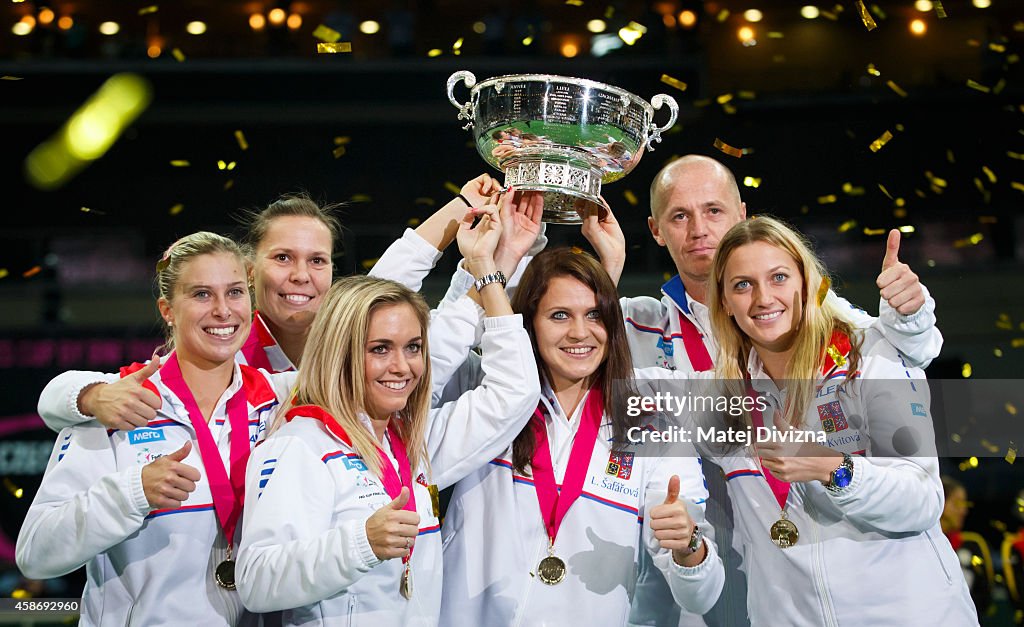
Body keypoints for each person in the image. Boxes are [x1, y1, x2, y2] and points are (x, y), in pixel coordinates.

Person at [578, 153, 945, 627]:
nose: (764, 298)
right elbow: (568, 354)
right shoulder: (702, 381)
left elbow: (908, 354)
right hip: (752, 584)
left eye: (713, 210)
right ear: (724, 304)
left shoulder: (858, 345)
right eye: (680, 216)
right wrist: (603, 270)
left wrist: (910, 319)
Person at [234, 199, 541, 625]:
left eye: (413, 348)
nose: (402, 366)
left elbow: (515, 392)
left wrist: (491, 267)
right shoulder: (298, 446)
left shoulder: (413, 445)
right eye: (379, 349)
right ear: (342, 352)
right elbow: (256, 580)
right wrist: (362, 542)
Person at [33, 175, 517, 432]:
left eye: (318, 261)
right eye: (283, 258)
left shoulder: (348, 338)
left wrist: (464, 212)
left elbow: (388, 284)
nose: (301, 276)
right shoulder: (221, 346)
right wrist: (93, 397)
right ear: (250, 270)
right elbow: (55, 399)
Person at [698, 216, 977, 625]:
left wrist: (836, 469)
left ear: (806, 283)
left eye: (778, 277)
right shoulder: (717, 396)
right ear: (723, 301)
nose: (762, 298)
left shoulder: (870, 354)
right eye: (742, 284)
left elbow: (922, 501)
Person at [16, 232, 299, 626]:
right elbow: (35, 553)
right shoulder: (119, 408)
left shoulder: (281, 399)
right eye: (201, 294)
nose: (222, 310)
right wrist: (132, 493)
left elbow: (376, 354)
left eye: (234, 292)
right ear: (168, 309)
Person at [440, 247, 724, 626]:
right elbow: (427, 351)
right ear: (528, 323)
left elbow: (701, 594)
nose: (580, 332)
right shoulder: (479, 390)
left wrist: (689, 547)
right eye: (560, 315)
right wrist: (496, 262)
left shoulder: (653, 419)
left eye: (594, 315)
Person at [940, 476, 994, 617]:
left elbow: (985, 596)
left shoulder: (973, 545)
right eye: (957, 504)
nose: (964, 511)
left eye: (964, 504)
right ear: (939, 502)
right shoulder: (917, 545)